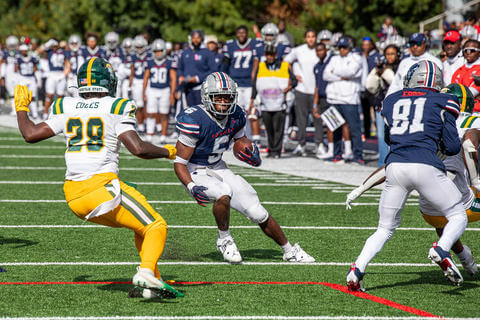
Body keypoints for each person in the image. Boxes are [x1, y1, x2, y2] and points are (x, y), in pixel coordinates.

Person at [13, 57, 183, 299]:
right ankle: (146, 273)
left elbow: (30, 134)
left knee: (141, 227)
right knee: (157, 226)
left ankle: (151, 282)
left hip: (73, 196)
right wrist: (169, 151)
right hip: (101, 189)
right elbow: (138, 149)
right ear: (110, 82)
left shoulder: (65, 106)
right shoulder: (117, 106)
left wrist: (21, 108)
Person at [346, 61, 467, 291]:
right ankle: (441, 249)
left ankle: (357, 270)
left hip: (395, 167)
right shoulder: (444, 100)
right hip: (425, 165)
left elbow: (390, 139)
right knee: (457, 214)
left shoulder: (392, 100)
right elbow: (452, 146)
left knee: (384, 228)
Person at [173, 71, 314, 264]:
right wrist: (190, 186)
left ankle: (290, 250)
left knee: (256, 211)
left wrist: (250, 152)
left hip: (218, 166)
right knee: (223, 191)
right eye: (218, 98)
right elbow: (179, 163)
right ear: (207, 98)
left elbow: (240, 140)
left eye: (227, 97)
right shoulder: (194, 119)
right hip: (194, 170)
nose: (223, 102)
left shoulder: (237, 114)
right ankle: (224, 240)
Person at [250, 44, 297, 158]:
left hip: (279, 104)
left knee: (278, 129)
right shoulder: (261, 66)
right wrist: (252, 100)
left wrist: (289, 87)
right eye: (268, 54)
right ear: (265, 55)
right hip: (265, 104)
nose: (270, 57)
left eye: (272, 54)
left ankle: (277, 151)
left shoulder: (284, 66)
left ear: (276, 55)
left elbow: (294, 81)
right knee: (269, 128)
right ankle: (271, 150)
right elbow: (255, 84)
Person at [323, 36, 364, 164]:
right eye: (339, 47)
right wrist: (341, 77)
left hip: (350, 99)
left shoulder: (356, 58)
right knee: (335, 128)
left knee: (354, 129)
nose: (341, 50)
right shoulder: (333, 58)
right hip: (334, 98)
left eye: (344, 47)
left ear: (349, 47)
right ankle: (337, 154)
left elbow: (351, 72)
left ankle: (358, 156)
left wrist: (334, 73)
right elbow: (325, 74)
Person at [284, 29, 320, 157]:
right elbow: (286, 61)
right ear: (305, 38)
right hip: (301, 89)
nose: (311, 39)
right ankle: (301, 144)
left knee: (317, 120)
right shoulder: (299, 50)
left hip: (316, 90)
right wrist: (293, 76)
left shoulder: (320, 50)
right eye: (308, 36)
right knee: (301, 120)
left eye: (313, 36)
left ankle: (318, 145)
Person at [365, 44, 401, 167]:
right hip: (381, 106)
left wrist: (386, 73)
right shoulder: (381, 67)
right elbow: (370, 87)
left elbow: (398, 84)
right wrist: (377, 73)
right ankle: (383, 164)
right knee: (382, 137)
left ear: (398, 54)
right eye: (387, 54)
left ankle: (395, 164)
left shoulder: (401, 67)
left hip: (398, 108)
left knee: (397, 137)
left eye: (392, 54)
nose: (389, 57)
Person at [221, 25, 258, 139]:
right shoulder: (231, 45)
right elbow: (225, 64)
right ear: (236, 34)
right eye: (239, 33)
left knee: (251, 113)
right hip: (235, 83)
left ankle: (252, 138)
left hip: (248, 84)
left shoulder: (254, 44)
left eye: (243, 32)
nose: (241, 35)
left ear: (247, 33)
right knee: (234, 112)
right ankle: (235, 137)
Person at [143, 39, 177, 143]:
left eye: (160, 51)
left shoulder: (169, 62)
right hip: (152, 89)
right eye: (156, 51)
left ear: (164, 51)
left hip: (165, 90)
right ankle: (149, 134)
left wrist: (172, 94)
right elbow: (146, 78)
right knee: (151, 113)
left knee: (164, 114)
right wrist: (143, 92)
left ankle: (163, 135)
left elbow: (173, 78)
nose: (158, 53)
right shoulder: (150, 62)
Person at [177, 30, 217, 107]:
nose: (195, 40)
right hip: (187, 89)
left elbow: (213, 71)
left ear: (201, 39)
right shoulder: (185, 53)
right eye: (193, 37)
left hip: (201, 89)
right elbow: (180, 68)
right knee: (188, 114)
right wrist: (180, 76)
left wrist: (197, 78)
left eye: (198, 38)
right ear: (191, 38)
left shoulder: (207, 53)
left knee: (202, 113)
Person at [312, 42, 334, 159]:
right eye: (317, 50)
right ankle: (323, 145)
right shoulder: (316, 66)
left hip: (332, 98)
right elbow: (316, 86)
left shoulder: (332, 62)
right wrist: (315, 104)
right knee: (321, 123)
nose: (319, 52)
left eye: (321, 50)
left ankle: (333, 149)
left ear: (326, 50)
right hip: (321, 98)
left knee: (332, 124)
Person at [40, 38, 70, 119]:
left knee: (60, 95)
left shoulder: (63, 52)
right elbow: (39, 51)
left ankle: (60, 113)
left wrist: (65, 73)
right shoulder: (49, 52)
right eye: (53, 45)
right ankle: (45, 113)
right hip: (52, 74)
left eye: (55, 45)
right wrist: (48, 43)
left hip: (60, 74)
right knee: (49, 95)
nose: (54, 47)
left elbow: (68, 62)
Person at [451, 39, 480, 113]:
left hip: (476, 111)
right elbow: (452, 92)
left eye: (472, 50)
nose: (468, 53)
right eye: (466, 50)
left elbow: (471, 93)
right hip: (458, 110)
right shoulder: (458, 70)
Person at [129, 35, 150, 132]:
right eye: (137, 47)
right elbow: (132, 72)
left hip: (148, 81)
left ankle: (148, 123)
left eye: (141, 47)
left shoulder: (149, 56)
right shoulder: (133, 56)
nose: (139, 49)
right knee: (139, 105)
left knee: (149, 104)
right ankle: (141, 124)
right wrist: (130, 85)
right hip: (137, 82)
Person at [15, 44, 38, 119]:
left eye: (26, 51)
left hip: (31, 78)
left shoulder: (32, 58)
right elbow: (16, 69)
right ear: (21, 51)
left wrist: (37, 77)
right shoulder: (18, 59)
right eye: (23, 51)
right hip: (23, 78)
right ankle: (25, 113)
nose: (25, 52)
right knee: (23, 96)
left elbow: (35, 68)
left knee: (33, 96)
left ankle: (34, 113)